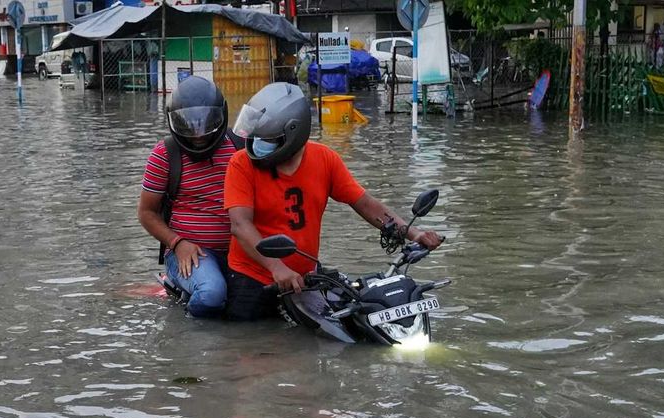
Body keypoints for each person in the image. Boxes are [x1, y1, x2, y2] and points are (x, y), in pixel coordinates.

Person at [223, 82, 442, 322]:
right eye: (257, 138)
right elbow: (240, 225)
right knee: (247, 344)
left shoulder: (324, 159)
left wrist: (413, 234)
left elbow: (364, 203)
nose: (258, 145)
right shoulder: (241, 163)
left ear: (293, 133)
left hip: (304, 278)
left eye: (268, 140)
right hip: (252, 278)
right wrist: (276, 267)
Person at [136, 76, 238, 317]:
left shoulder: (240, 148)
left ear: (220, 116)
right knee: (211, 295)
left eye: (205, 122)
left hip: (240, 251)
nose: (198, 134)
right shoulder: (165, 154)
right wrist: (177, 243)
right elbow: (146, 212)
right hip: (189, 253)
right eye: (188, 124)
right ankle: (188, 330)